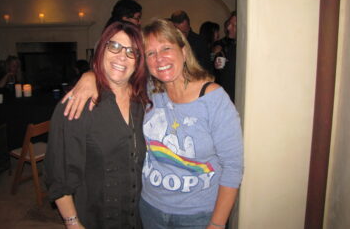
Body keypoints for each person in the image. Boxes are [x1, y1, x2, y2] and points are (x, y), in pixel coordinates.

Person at [62, 19, 244, 229]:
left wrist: (217, 223)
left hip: (197, 215)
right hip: (149, 209)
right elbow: (115, 77)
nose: (159, 59)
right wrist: (90, 75)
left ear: (183, 52)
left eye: (166, 48)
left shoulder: (213, 99)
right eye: (150, 53)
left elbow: (233, 167)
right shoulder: (148, 91)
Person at [44, 21, 151, 229]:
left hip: (137, 217)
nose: (122, 56)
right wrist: (73, 223)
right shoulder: (78, 104)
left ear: (138, 61)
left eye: (132, 51)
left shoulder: (143, 100)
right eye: (115, 46)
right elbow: (59, 175)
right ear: (102, 49)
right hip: (96, 219)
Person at [216, 12, 237, 102]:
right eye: (229, 24)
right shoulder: (233, 46)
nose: (228, 28)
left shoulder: (246, 48)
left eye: (233, 25)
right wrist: (219, 67)